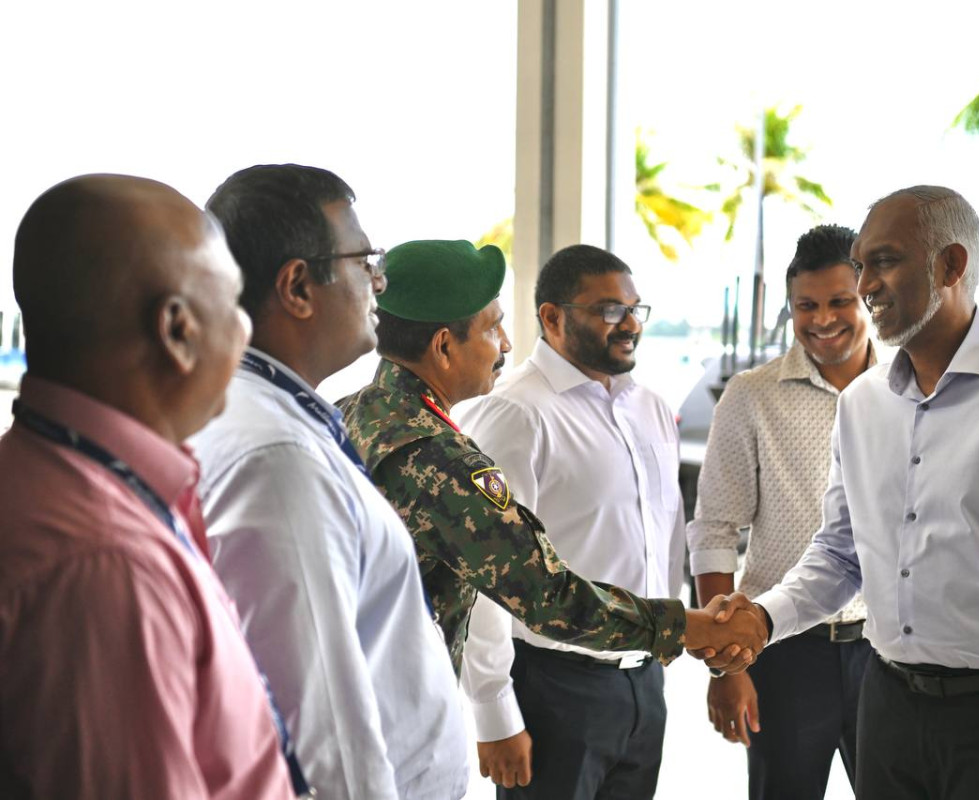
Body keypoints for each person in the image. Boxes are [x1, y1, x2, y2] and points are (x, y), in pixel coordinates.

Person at [724, 186, 979, 800]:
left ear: (951, 266)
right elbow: (839, 556)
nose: (865, 286)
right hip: (887, 708)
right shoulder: (863, 404)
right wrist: (763, 616)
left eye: (884, 261)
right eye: (861, 265)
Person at [337, 239, 768, 792]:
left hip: (372, 704)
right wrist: (687, 625)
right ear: (444, 346)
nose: (507, 343)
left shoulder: (350, 415)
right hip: (416, 712)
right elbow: (538, 590)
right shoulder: (441, 453)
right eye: (492, 328)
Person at [0, 174, 294, 799]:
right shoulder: (106, 565)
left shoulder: (58, 478)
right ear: (178, 330)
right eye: (235, 303)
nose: (245, 331)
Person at [190, 165, 467, 800]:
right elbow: (322, 735)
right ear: (297, 286)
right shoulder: (279, 459)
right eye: (365, 259)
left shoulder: (270, 415)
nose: (379, 280)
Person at [452, 244, 688, 799]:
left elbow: (667, 531)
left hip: (643, 679)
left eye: (635, 308)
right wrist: (494, 710)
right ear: (552, 317)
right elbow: (485, 575)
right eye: (609, 310)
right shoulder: (515, 412)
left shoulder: (651, 406)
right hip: (555, 688)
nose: (629, 323)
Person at [689, 224, 877, 798]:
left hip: (891, 650)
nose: (823, 319)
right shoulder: (751, 395)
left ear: (868, 296)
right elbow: (715, 529)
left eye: (840, 301)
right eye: (807, 306)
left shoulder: (911, 387)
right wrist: (728, 666)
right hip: (783, 647)